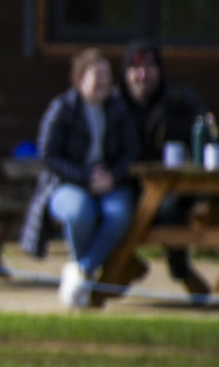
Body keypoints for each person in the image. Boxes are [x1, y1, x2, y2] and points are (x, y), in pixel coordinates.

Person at [19, 49, 140, 308]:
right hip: (67, 183)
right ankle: (88, 282)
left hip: (111, 182)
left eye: (107, 75)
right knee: (80, 212)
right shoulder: (62, 108)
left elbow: (132, 152)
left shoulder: (118, 107)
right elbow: (48, 156)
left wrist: (112, 177)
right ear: (80, 79)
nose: (104, 82)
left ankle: (80, 271)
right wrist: (85, 177)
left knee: (119, 213)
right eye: (98, 75)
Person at [121, 39, 212, 297]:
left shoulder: (182, 101)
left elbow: (204, 148)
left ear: (159, 70)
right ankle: (125, 268)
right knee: (111, 210)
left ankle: (178, 270)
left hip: (174, 189)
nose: (143, 74)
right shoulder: (113, 103)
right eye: (135, 68)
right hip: (124, 185)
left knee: (169, 209)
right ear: (126, 72)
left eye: (149, 67)